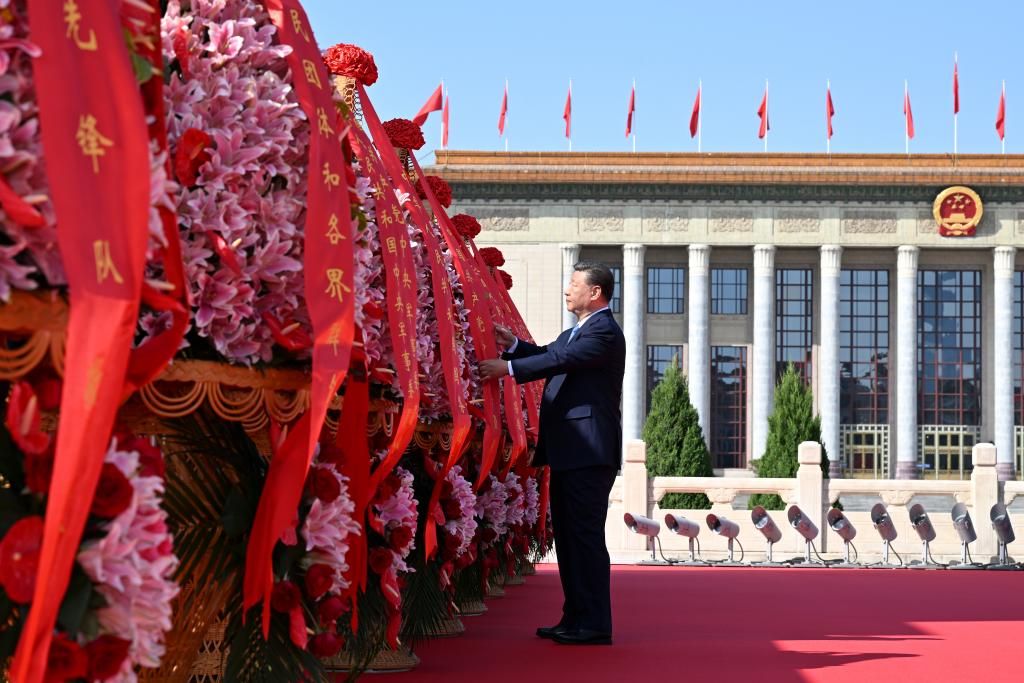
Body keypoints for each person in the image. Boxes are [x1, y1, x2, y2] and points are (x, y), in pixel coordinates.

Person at [478, 261, 625, 646]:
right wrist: (514, 346)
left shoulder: (604, 332)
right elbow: (548, 353)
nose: (567, 290)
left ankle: (594, 623)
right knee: (570, 537)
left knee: (584, 537)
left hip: (588, 452)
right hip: (569, 451)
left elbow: (560, 360)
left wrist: (508, 368)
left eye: (574, 284)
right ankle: (575, 616)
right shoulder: (576, 332)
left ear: (595, 292)